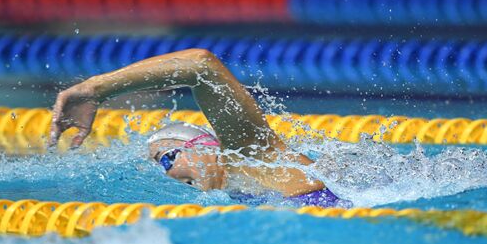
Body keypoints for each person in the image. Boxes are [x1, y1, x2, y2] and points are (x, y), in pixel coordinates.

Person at [49, 48, 341, 207]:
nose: (166, 174)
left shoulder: (251, 158)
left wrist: (95, 88)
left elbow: (200, 66)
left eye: (166, 158)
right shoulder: (237, 194)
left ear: (205, 146)